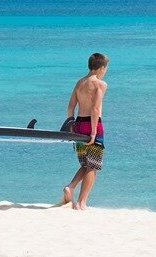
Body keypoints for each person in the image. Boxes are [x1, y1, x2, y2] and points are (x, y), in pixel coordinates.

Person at [62, 52, 108, 210]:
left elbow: (70, 107)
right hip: (92, 125)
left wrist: (71, 125)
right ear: (101, 68)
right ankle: (82, 203)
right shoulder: (100, 84)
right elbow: (95, 109)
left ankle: (71, 186)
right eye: (105, 68)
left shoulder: (79, 83)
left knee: (85, 163)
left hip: (79, 124)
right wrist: (94, 133)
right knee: (93, 166)